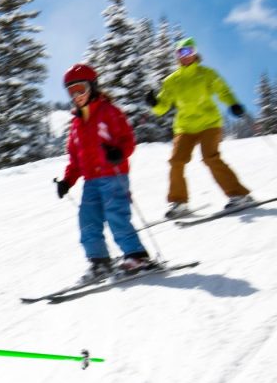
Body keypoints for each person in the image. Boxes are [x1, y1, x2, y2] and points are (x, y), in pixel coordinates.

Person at [56, 64, 151, 284]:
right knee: (87, 220)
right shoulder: (76, 124)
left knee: (116, 214)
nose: (76, 96)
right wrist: (67, 181)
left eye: (81, 89)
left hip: (113, 175)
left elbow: (128, 140)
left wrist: (119, 152)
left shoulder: (109, 111)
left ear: (93, 86)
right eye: (71, 92)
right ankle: (100, 262)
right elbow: (75, 160)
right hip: (91, 181)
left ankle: (137, 256)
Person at [146, 37, 252, 219]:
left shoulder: (206, 74)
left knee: (210, 157)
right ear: (177, 56)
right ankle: (179, 202)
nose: (185, 56)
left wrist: (233, 104)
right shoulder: (172, 80)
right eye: (181, 52)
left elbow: (223, 91)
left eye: (188, 51)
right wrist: (154, 103)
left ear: (195, 53)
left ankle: (239, 194)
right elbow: (163, 106)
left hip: (209, 123)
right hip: (185, 127)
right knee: (176, 161)